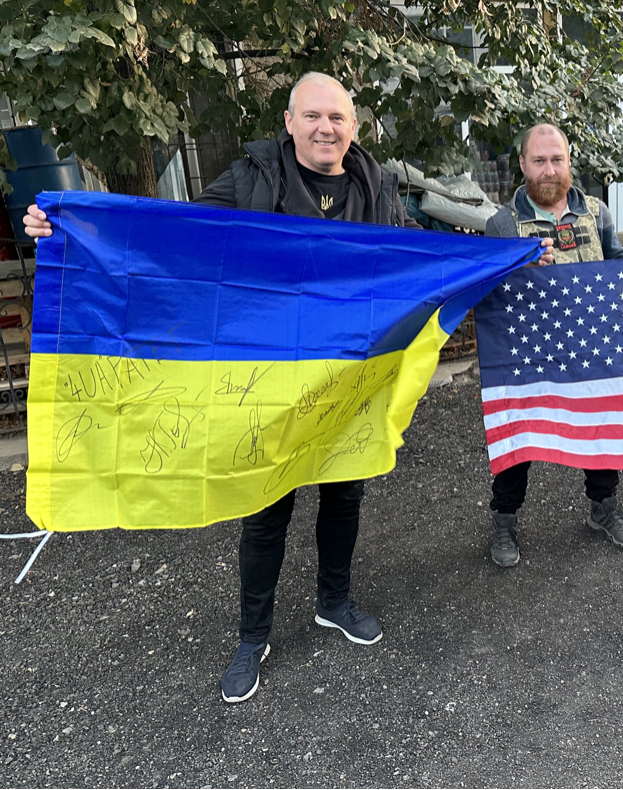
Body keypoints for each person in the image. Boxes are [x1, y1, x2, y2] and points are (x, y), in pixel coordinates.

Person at [23, 72, 422, 703]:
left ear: (353, 126)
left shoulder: (378, 189)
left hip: (349, 378)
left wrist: (504, 257)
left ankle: (334, 602)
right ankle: (252, 636)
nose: (325, 128)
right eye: (312, 116)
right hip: (267, 380)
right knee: (265, 506)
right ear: (289, 122)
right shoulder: (251, 180)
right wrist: (68, 227)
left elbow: (420, 260)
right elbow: (171, 234)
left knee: (345, 493)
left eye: (337, 118)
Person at [482, 123, 623, 567]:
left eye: (556, 160)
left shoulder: (595, 212)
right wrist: (518, 267)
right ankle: (504, 519)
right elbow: (487, 291)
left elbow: (615, 262)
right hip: (529, 355)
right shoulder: (502, 224)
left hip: (589, 349)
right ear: (523, 164)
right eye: (539, 161)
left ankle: (603, 508)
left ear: (569, 162)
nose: (549, 170)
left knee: (600, 430)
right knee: (519, 438)